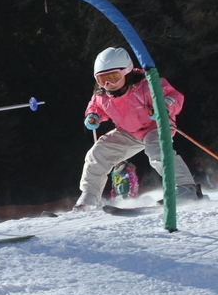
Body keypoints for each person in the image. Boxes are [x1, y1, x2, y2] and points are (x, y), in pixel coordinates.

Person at [74, 47, 197, 211]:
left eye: (113, 77)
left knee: (157, 151)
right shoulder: (102, 94)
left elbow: (175, 96)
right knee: (98, 153)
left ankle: (185, 187)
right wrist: (93, 116)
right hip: (128, 132)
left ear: (126, 72)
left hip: (155, 127)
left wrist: (163, 106)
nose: (108, 84)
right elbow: (95, 106)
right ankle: (89, 197)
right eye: (102, 79)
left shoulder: (146, 85)